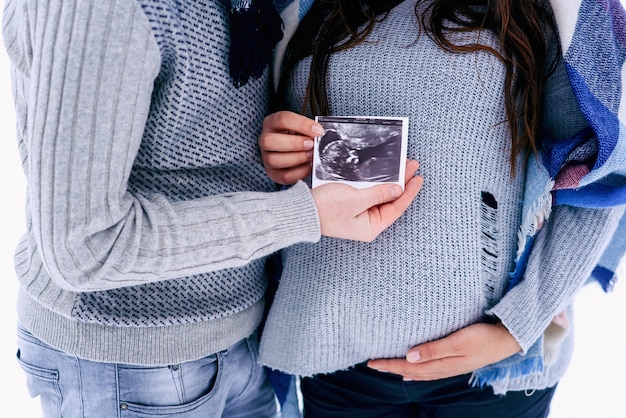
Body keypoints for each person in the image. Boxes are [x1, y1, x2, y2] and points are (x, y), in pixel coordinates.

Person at [1, 0, 423, 416]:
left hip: (241, 337)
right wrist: (303, 215)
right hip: (125, 360)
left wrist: (274, 144)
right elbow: (84, 246)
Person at [258, 0, 626, 417]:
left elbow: (600, 177)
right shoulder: (298, 10)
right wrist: (275, 151)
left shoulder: (543, 13)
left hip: (488, 377)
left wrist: (516, 328)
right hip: (335, 362)